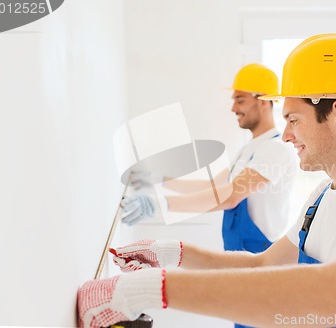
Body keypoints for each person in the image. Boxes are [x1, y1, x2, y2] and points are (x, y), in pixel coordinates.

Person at [78, 33, 336, 328]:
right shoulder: (322, 197)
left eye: (293, 119)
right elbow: (264, 266)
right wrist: (174, 254)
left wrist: (153, 289)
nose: (286, 135)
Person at [120, 63, 297, 257]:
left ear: (263, 101)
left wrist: (158, 204)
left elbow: (230, 196)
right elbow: (212, 186)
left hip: (263, 257)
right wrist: (158, 180)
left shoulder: (275, 149)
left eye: (240, 100)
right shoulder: (249, 149)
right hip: (241, 255)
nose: (233, 108)